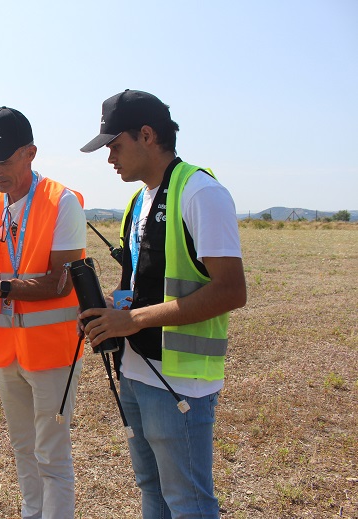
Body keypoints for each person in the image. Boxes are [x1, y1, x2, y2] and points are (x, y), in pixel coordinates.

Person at [79, 90, 247, 519]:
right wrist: (109, 313)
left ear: (147, 135)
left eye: (114, 146)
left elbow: (231, 291)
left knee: (188, 502)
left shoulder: (201, 193)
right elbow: (142, 283)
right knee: (152, 492)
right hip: (135, 372)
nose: (110, 158)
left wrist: (131, 319)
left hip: (180, 383)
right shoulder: (139, 201)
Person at [0, 107, 86, 519]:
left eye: (4, 159)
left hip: (53, 350)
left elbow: (60, 282)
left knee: (52, 454)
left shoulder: (62, 201)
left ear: (30, 153)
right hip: (8, 347)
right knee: (23, 449)